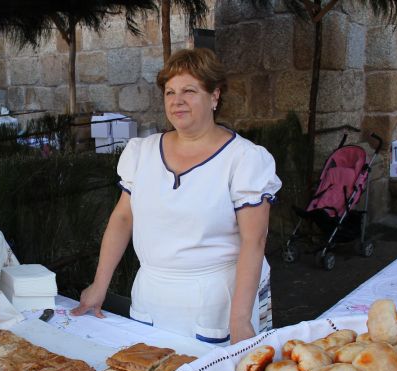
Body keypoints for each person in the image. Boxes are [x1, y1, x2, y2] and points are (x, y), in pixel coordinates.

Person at [71, 48, 282, 345]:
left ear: (215, 96)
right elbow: (122, 218)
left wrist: (240, 319)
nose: (177, 101)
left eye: (189, 91)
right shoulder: (141, 152)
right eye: (170, 92)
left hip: (216, 303)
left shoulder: (244, 159)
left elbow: (254, 240)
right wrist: (99, 285)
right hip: (150, 294)